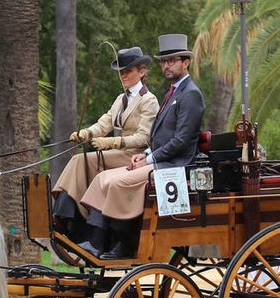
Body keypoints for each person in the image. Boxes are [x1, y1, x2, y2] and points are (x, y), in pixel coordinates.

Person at [78, 33, 205, 259]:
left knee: (119, 182)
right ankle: (96, 239)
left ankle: (125, 244)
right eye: (164, 62)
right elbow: (159, 137)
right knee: (103, 178)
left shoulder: (191, 94)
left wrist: (148, 158)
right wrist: (146, 154)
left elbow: (181, 141)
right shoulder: (174, 91)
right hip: (159, 159)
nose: (166, 66)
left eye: (172, 61)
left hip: (175, 165)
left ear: (186, 62)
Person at [52, 46, 159, 240]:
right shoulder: (121, 99)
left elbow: (144, 137)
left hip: (134, 155)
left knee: (82, 160)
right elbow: (105, 122)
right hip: (118, 153)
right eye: (121, 72)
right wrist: (86, 133)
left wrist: (111, 142)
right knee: (78, 160)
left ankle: (73, 216)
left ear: (142, 72)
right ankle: (65, 213)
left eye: (128, 71)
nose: (123, 75)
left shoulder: (148, 101)